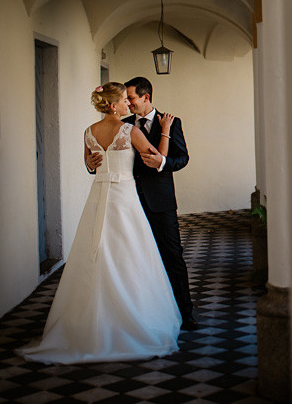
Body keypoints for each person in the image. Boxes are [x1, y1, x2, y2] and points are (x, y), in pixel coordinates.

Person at [19, 82, 181, 363]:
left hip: (99, 196)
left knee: (93, 252)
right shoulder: (130, 131)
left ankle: (90, 321)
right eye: (124, 100)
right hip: (124, 197)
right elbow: (155, 158)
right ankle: (131, 319)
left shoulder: (88, 132)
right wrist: (165, 131)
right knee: (129, 253)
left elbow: (91, 165)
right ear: (114, 105)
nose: (128, 104)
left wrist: (96, 161)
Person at [122, 76, 196, 330]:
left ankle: (186, 314)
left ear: (146, 97)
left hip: (162, 203)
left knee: (172, 256)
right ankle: (146, 315)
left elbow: (182, 157)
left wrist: (163, 164)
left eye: (131, 98)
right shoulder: (123, 125)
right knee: (137, 259)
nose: (128, 103)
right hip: (129, 202)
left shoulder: (171, 123)